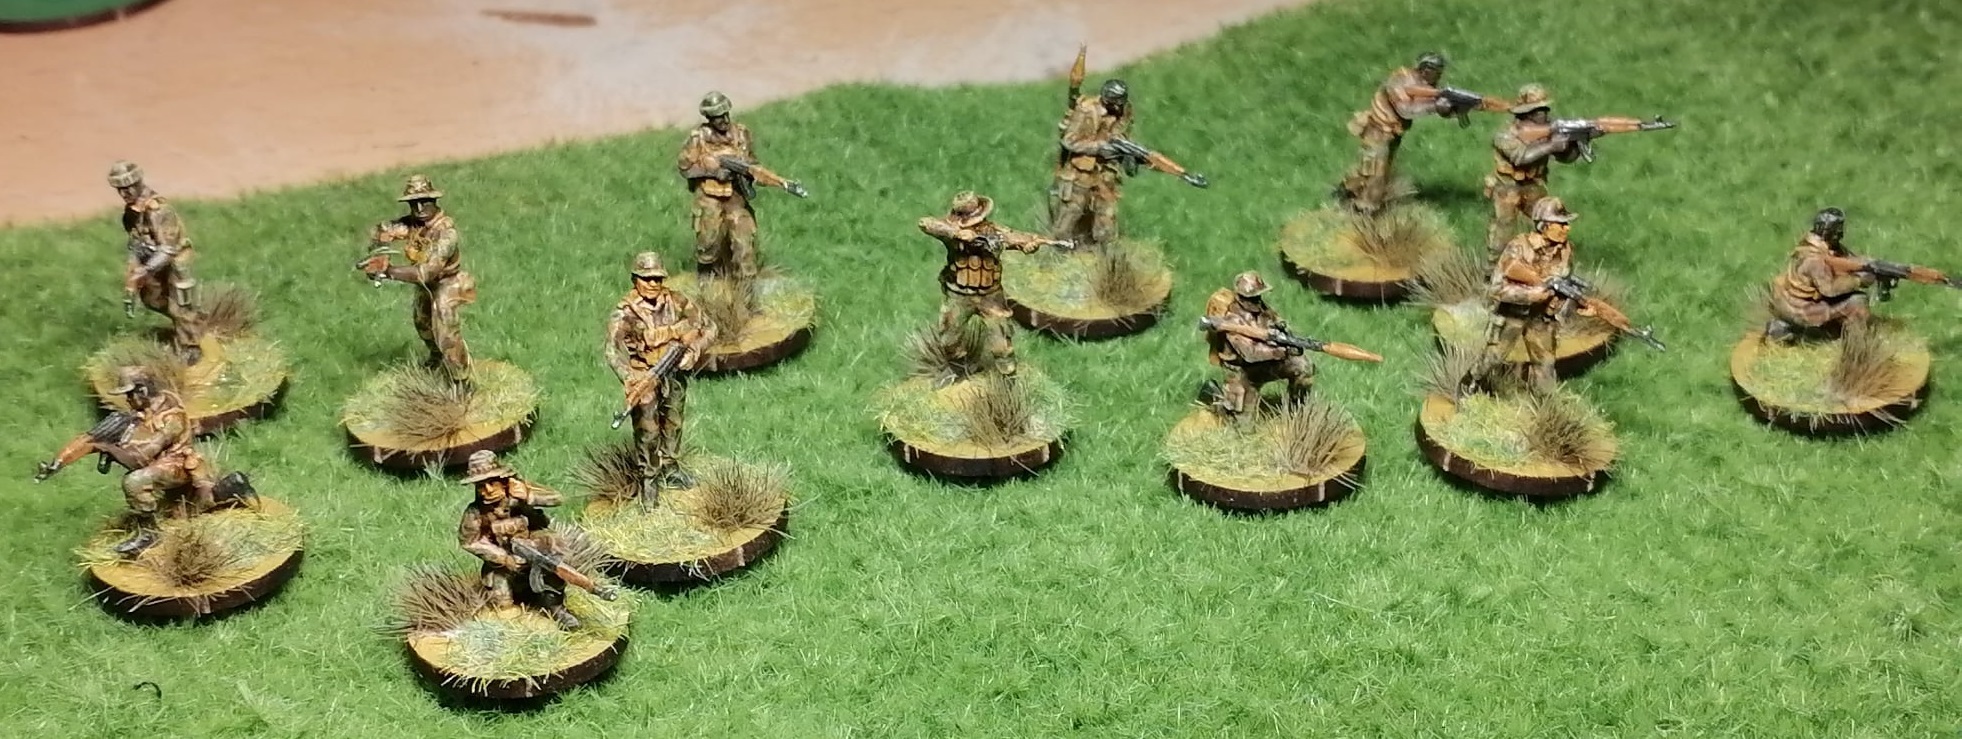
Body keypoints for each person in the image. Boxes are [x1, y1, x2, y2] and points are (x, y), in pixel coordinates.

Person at [35, 367, 230, 557]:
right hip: (159, 462)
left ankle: (149, 533)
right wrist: (58, 462)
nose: (127, 400)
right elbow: (87, 439)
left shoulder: (172, 418)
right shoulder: (140, 413)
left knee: (135, 481)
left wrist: (108, 447)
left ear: (143, 391)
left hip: (177, 464)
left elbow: (141, 457)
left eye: (130, 395)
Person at [917, 191, 1072, 378]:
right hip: (959, 295)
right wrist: (956, 233)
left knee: (1001, 341)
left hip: (990, 296)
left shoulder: (996, 233)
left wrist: (1030, 245)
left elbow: (1019, 239)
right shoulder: (951, 231)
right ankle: (959, 371)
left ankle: (1008, 377)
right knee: (949, 338)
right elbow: (925, 223)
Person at [1335, 53, 1504, 215]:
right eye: (1437, 72)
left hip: (1392, 133)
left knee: (1380, 170)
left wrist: (1458, 106)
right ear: (1426, 70)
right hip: (1377, 130)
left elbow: (1435, 104)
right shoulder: (1400, 79)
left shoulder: (1424, 85)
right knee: (1375, 173)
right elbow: (1406, 109)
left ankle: (1353, 195)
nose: (1439, 76)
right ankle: (1365, 210)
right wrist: (1435, 105)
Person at [603, 252, 716, 490]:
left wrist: (694, 350)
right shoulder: (625, 312)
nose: (653, 284)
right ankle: (649, 480)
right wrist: (628, 377)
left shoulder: (676, 301)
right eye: (647, 279)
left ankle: (671, 468)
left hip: (674, 371)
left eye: (657, 278)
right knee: (648, 430)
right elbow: (612, 351)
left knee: (673, 421)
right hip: (645, 373)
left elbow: (709, 327)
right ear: (635, 280)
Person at [676, 91, 806, 281]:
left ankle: (746, 290)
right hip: (710, 198)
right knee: (709, 241)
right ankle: (705, 280)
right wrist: (713, 173)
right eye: (718, 117)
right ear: (709, 118)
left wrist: (769, 180)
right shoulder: (699, 138)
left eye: (725, 114)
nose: (724, 120)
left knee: (744, 243)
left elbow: (752, 164)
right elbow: (685, 168)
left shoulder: (741, 134)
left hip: (736, 199)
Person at [359, 175, 476, 382]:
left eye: (424, 202)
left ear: (434, 201)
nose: (419, 208)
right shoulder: (414, 224)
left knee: (446, 328)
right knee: (423, 322)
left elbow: (426, 273)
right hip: (426, 284)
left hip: (447, 282)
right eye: (414, 203)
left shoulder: (445, 233)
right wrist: (380, 253)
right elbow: (382, 230)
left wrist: (388, 271)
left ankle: (461, 378)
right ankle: (436, 358)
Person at [456, 450, 586, 630]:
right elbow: (469, 541)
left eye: (492, 483)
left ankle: (556, 608)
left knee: (552, 570)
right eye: (480, 486)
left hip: (536, 552)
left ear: (503, 480)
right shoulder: (476, 512)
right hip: (504, 563)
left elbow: (557, 498)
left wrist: (528, 495)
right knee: (502, 601)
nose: (487, 491)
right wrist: (503, 558)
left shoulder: (519, 495)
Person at [110, 161, 205, 364]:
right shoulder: (131, 213)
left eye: (128, 187)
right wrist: (133, 276)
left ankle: (191, 347)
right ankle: (188, 320)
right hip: (152, 259)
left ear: (138, 183)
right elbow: (136, 244)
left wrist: (146, 269)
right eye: (120, 189)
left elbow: (168, 248)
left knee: (181, 304)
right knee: (152, 299)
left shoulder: (159, 210)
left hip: (176, 261)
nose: (124, 193)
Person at [1483, 198, 1578, 391]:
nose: (1567, 228)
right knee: (1494, 357)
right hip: (1511, 314)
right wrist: (1532, 295)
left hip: (1540, 318)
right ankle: (1470, 387)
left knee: (1545, 365)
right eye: (1561, 224)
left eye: (1566, 223)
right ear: (1545, 226)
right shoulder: (1519, 247)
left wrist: (1561, 305)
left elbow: (1564, 282)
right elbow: (1496, 289)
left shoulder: (1565, 251)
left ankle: (1545, 404)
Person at [1202, 272, 1315, 417]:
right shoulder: (1232, 319)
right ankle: (1216, 398)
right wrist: (1280, 352)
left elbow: (1276, 322)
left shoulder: (1261, 308)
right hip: (1243, 369)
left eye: (1258, 296)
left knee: (1303, 367)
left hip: (1266, 363)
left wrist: (1285, 334)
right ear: (1242, 298)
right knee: (1241, 422)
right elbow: (1250, 353)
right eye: (1253, 297)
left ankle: (1296, 410)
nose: (1257, 300)